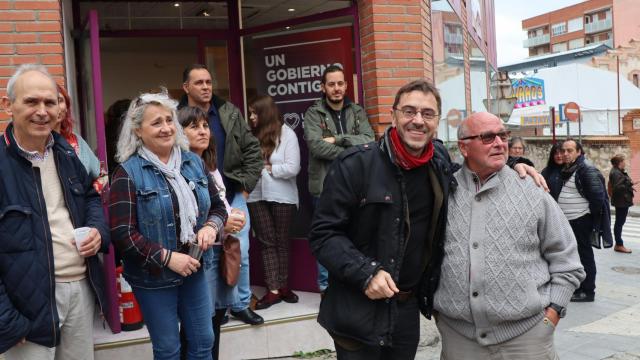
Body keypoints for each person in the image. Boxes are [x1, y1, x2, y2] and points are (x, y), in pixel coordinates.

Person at [309, 79, 544, 359]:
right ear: (394, 115)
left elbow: (474, 168)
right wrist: (366, 272)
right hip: (357, 309)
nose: (418, 121)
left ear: (437, 121)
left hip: (406, 311)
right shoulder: (355, 165)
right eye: (409, 111)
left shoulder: (439, 162)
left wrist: (514, 165)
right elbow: (323, 235)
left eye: (427, 114)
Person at [433, 112, 585, 359]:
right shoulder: (442, 190)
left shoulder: (532, 189)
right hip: (459, 338)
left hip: (527, 338)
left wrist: (554, 311)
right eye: (487, 137)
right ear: (463, 147)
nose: (499, 143)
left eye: (502, 135)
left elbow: (566, 259)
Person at [0, 64, 110, 359]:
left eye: (50, 102)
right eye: (31, 101)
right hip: (26, 307)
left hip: (80, 291)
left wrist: (98, 230)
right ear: (8, 105)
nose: (43, 111)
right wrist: (6, 321)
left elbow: (91, 197)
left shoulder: (66, 152)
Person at [109, 90, 227, 359]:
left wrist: (210, 227)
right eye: (156, 123)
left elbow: (218, 208)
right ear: (138, 131)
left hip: (194, 270)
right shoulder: (127, 173)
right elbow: (122, 233)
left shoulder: (194, 163)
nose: (166, 128)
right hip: (153, 277)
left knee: (203, 341)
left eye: (169, 120)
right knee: (168, 349)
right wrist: (167, 258)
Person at [179, 64, 264, 325]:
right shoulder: (176, 115)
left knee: (241, 250)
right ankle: (216, 306)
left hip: (232, 192)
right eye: (199, 83)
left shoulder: (228, 111)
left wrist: (246, 188)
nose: (206, 87)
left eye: (208, 82)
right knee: (206, 254)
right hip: (194, 196)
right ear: (186, 87)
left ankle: (239, 303)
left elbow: (252, 149)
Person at [178, 105, 246, 360]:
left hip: (221, 253)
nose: (203, 131)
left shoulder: (211, 166)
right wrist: (221, 225)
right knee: (197, 327)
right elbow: (187, 217)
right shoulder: (179, 168)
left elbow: (221, 206)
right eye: (193, 126)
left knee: (216, 320)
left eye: (205, 125)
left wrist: (233, 217)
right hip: (199, 256)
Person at [303, 64, 375, 293]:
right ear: (323, 87)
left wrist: (337, 138)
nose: (337, 88)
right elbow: (316, 147)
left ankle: (352, 282)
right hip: (324, 186)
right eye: (331, 84)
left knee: (356, 234)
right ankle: (327, 288)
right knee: (327, 237)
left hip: (358, 186)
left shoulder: (357, 111)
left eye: (340, 83)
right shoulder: (314, 113)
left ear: (346, 85)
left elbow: (369, 140)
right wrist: (351, 149)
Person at [246, 95, 301, 309]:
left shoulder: (288, 135)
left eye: (254, 112)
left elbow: (292, 168)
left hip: (283, 196)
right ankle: (273, 290)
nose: (250, 117)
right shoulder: (250, 137)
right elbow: (247, 165)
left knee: (281, 241)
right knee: (267, 242)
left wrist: (269, 169)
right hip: (256, 195)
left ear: (265, 113)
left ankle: (284, 286)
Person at [558, 138, 613, 303]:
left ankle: (588, 291)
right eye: (564, 151)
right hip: (571, 221)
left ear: (578, 152)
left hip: (581, 221)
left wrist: (587, 215)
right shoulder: (570, 168)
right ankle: (579, 287)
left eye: (570, 150)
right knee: (575, 257)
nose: (565, 154)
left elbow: (598, 198)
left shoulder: (586, 169)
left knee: (584, 256)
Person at [609, 154, 636, 253]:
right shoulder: (616, 173)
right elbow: (617, 187)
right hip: (621, 202)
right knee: (619, 223)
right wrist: (629, 184)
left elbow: (620, 184)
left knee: (620, 222)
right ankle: (619, 244)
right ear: (619, 163)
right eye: (623, 161)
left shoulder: (618, 172)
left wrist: (629, 183)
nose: (625, 163)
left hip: (622, 201)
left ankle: (618, 244)